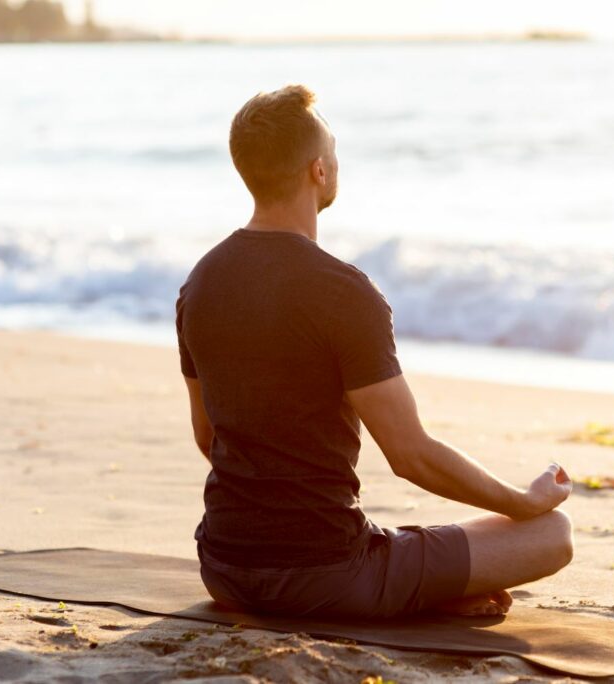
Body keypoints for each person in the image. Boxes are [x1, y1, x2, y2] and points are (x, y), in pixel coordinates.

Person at [176, 84, 574, 620]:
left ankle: (425, 585)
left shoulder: (199, 285)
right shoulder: (343, 292)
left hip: (224, 568)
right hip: (329, 573)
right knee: (552, 534)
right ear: (319, 170)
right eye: (333, 149)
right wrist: (521, 502)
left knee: (400, 543)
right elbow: (410, 456)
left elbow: (209, 438)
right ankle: (425, 590)